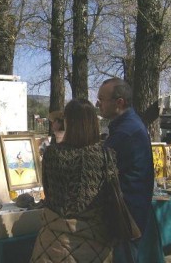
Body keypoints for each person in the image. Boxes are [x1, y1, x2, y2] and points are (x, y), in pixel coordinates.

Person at [31, 99, 117, 262]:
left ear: (68, 122)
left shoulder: (52, 154)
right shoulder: (106, 156)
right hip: (95, 244)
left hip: (53, 243)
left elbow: (47, 190)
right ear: (93, 123)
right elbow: (109, 198)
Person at [97, 78, 154, 262]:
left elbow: (98, 168)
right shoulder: (127, 125)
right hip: (130, 212)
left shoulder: (126, 132)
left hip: (124, 217)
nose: (98, 104)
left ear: (119, 102)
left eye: (102, 99)